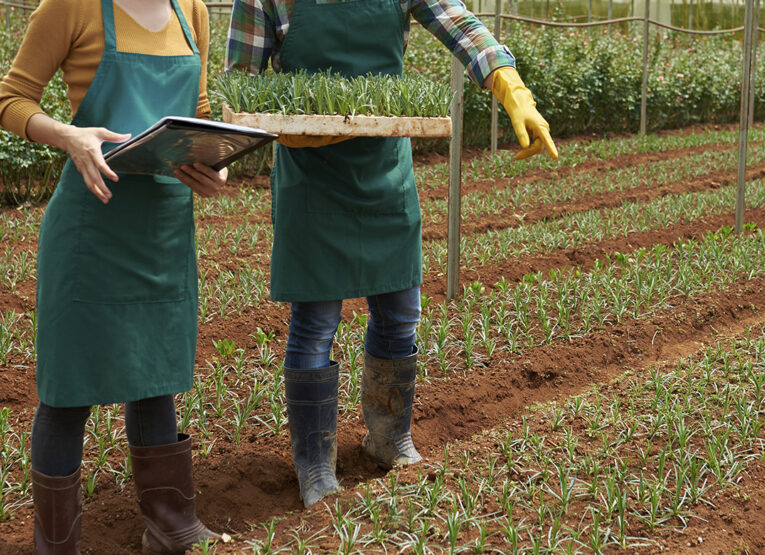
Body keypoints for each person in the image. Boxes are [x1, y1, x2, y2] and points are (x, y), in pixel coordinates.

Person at [225, 0, 558, 508]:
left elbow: (460, 25)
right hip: (311, 175)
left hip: (385, 171)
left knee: (400, 314)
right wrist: (286, 124)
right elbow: (240, 84)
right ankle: (316, 463)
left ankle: (388, 438)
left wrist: (509, 82)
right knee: (316, 320)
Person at [0, 0, 228, 551]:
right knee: (68, 389)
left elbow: (196, 108)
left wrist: (213, 160)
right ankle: (57, 543)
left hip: (163, 227)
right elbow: (10, 100)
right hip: (91, 226)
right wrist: (68, 136)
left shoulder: (192, 9)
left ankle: (172, 526)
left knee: (156, 377)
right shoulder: (70, 7)